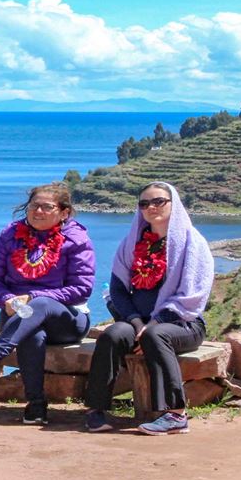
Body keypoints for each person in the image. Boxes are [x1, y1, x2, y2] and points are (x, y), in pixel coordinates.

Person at [0, 183, 96, 425]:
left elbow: (82, 289)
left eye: (46, 207)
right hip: (18, 314)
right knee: (33, 334)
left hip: (66, 319)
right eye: (34, 206)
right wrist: (6, 299)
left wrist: (34, 297)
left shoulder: (77, 239)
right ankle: (36, 405)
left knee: (40, 303)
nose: (38, 211)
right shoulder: (10, 235)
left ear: (64, 212)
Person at [84, 181, 213, 435]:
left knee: (157, 335)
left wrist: (152, 325)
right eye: (144, 204)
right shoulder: (132, 243)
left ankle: (175, 414)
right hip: (139, 322)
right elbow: (118, 289)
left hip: (182, 324)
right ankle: (96, 410)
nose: (151, 207)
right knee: (112, 335)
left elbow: (192, 296)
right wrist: (137, 323)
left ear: (173, 204)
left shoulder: (192, 244)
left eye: (158, 202)